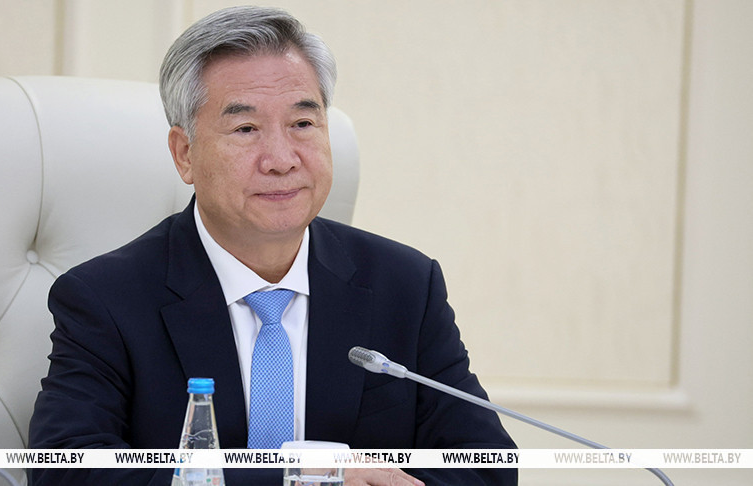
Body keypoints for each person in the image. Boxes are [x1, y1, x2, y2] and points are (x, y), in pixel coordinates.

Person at [28, 5, 516, 485]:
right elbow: (65, 470)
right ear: (185, 154)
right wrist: (309, 478)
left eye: (302, 124)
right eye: (246, 129)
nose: (282, 159)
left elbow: (486, 464)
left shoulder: (405, 285)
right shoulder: (106, 298)